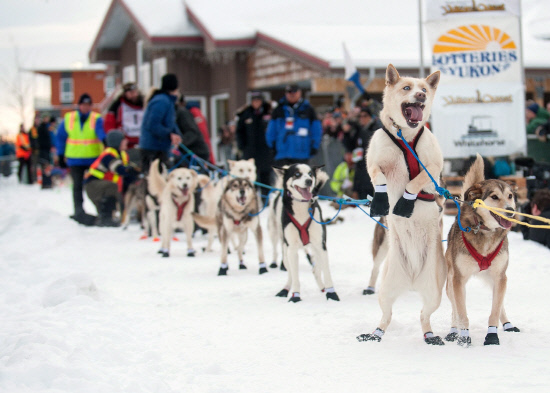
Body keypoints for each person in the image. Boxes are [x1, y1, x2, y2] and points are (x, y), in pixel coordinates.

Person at [56, 93, 105, 226]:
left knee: (95, 186)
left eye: (88, 105)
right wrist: (60, 155)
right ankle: (79, 211)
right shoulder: (69, 118)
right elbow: (60, 137)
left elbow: (101, 134)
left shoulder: (96, 119)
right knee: (77, 187)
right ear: (79, 106)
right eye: (83, 105)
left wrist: (106, 144)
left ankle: (102, 211)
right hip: (75, 159)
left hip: (93, 159)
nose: (85, 107)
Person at [84, 130, 139, 227]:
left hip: (102, 187)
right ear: (117, 142)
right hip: (94, 186)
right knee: (113, 187)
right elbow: (119, 169)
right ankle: (106, 218)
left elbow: (128, 172)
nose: (126, 141)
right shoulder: (108, 155)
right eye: (123, 139)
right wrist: (132, 170)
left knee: (122, 188)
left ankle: (119, 216)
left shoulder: (121, 155)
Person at [266, 84, 322, 167]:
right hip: (283, 153)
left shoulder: (308, 109)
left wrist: (314, 146)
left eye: (294, 92)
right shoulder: (278, 110)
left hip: (302, 153)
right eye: (289, 92)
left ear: (299, 93)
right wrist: (272, 146)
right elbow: (271, 131)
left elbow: (316, 130)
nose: (292, 94)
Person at [140, 73, 182, 174]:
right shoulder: (162, 101)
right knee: (155, 180)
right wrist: (169, 134)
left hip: (159, 147)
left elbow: (169, 123)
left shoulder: (166, 100)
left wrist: (176, 134)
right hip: (153, 148)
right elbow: (153, 124)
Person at [236, 91, 273, 193]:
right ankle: (253, 202)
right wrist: (242, 146)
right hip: (250, 152)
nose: (256, 103)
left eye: (258, 100)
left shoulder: (268, 112)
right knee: (251, 180)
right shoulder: (245, 114)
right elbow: (240, 132)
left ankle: (266, 201)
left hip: (265, 152)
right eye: (254, 100)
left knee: (266, 179)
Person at [342, 107, 382, 199]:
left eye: (365, 116)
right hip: (360, 166)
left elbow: (368, 140)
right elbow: (350, 146)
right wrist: (347, 133)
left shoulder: (375, 128)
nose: (362, 118)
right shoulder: (358, 130)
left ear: (370, 117)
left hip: (373, 165)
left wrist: (358, 127)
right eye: (360, 116)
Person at [104, 82, 144, 149]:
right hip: (125, 145)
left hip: (142, 143)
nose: (134, 95)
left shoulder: (144, 104)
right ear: (125, 94)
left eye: (135, 92)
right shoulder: (117, 106)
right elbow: (109, 126)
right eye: (131, 93)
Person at [176, 95, 211, 163]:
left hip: (196, 151)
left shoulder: (187, 112)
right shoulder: (185, 112)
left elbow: (195, 131)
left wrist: (180, 144)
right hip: (195, 150)